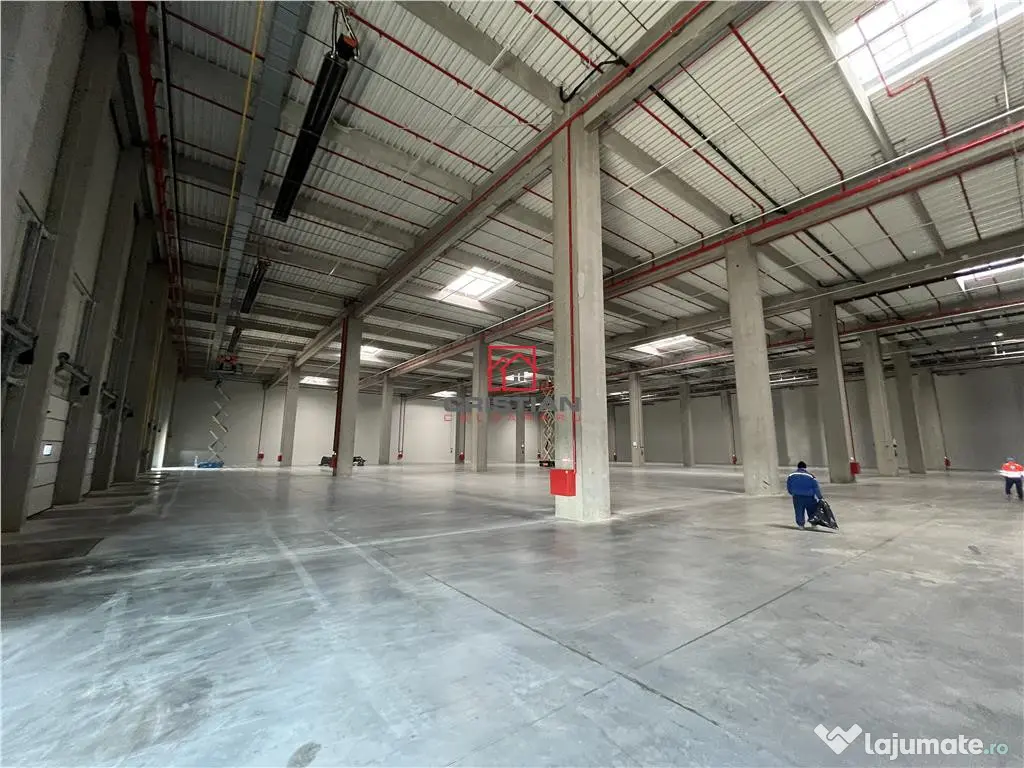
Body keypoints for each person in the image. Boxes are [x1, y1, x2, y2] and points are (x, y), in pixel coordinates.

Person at [786, 461, 822, 528]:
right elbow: (816, 487)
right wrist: (819, 497)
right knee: (812, 510)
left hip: (797, 497)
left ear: (798, 467)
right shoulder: (810, 476)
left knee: (799, 511)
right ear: (805, 467)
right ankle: (813, 524)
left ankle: (801, 525)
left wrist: (792, 492)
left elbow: (789, 486)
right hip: (809, 497)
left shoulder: (791, 475)